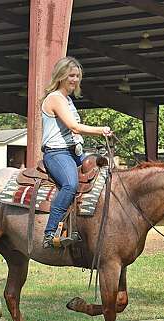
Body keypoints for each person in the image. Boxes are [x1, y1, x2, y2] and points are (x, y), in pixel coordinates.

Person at [41, 56, 113, 249]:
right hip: (56, 153)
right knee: (70, 184)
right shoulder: (55, 98)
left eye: (77, 76)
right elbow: (74, 126)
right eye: (71, 75)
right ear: (61, 75)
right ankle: (50, 232)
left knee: (103, 168)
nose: (74, 80)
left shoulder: (68, 100)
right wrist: (101, 130)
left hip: (75, 152)